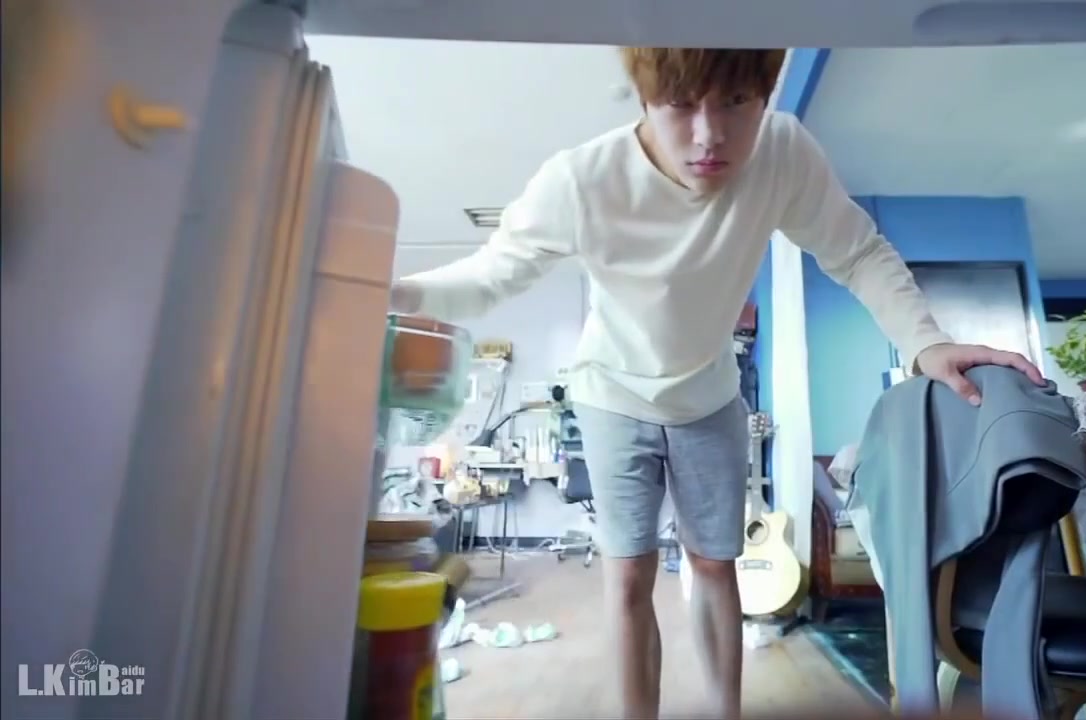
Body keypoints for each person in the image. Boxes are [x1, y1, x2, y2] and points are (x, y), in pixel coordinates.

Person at [390, 48, 1043, 720]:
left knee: (713, 565)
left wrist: (927, 342)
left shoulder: (782, 153)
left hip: (709, 396)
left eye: (735, 103)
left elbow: (857, 251)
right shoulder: (581, 180)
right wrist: (387, 293)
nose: (710, 136)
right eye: (681, 105)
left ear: (763, 96)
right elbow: (492, 275)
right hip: (611, 393)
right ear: (645, 99)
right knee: (628, 572)